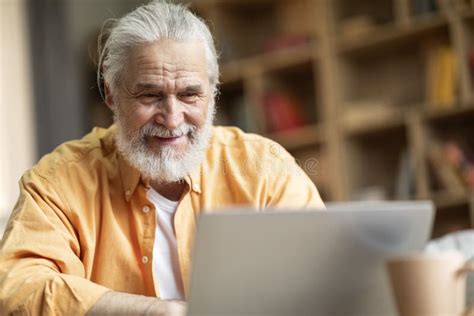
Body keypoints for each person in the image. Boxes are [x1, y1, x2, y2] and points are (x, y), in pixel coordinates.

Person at [0, 1, 324, 315]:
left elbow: (325, 276)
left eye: (189, 95)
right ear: (111, 93)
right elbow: (17, 290)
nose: (171, 118)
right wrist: (150, 312)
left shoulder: (266, 170)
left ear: (213, 92)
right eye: (150, 95)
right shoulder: (58, 180)